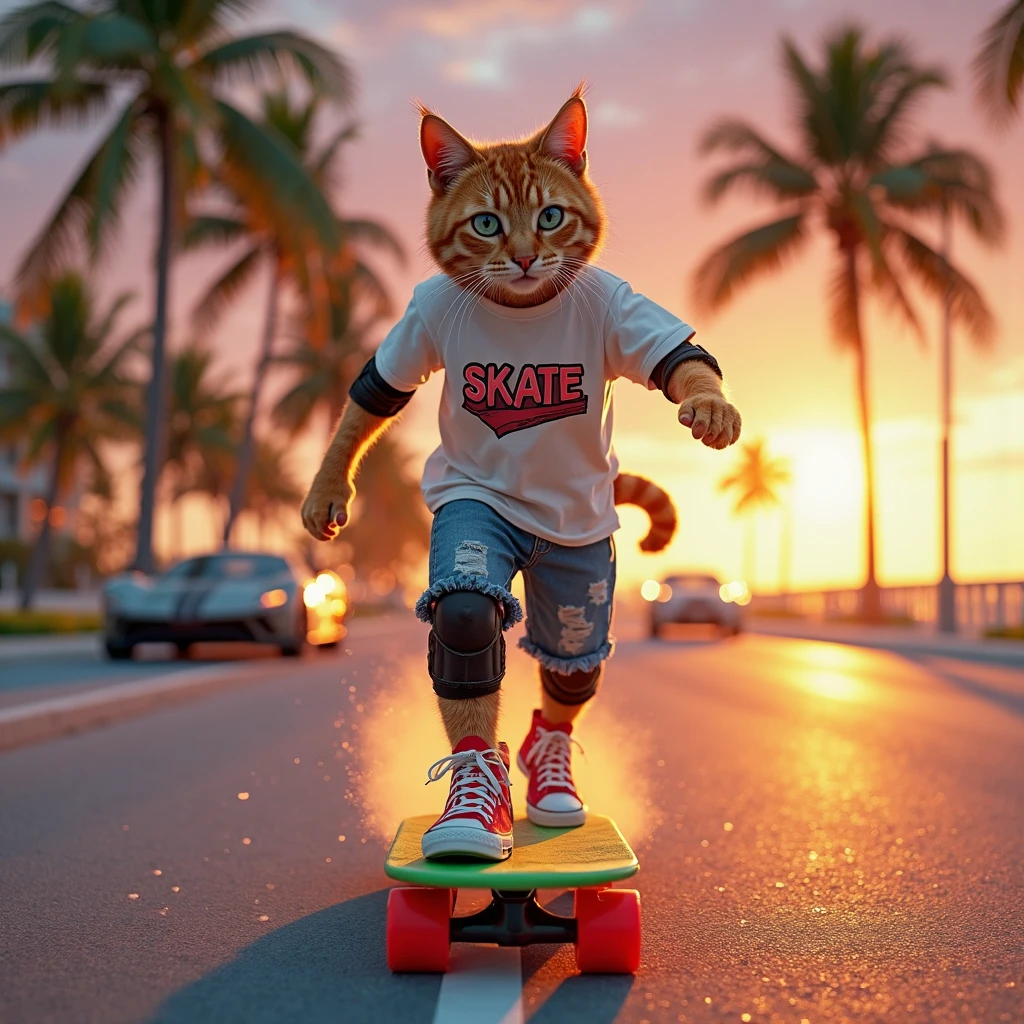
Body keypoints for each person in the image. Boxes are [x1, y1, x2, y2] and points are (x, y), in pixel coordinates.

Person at [300, 87, 742, 861]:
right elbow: (378, 391)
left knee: (574, 670)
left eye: (549, 219)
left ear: (580, 190)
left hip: (577, 513)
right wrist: (335, 475)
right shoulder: (443, 306)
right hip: (478, 498)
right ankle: (476, 776)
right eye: (486, 226)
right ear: (441, 198)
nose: (527, 251)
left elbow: (679, 357)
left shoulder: (599, 301)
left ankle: (548, 744)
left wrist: (705, 395)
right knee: (465, 613)